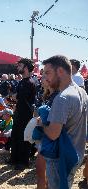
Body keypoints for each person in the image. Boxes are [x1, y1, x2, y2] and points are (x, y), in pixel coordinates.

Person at [40, 55, 88, 188]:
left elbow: (53, 134)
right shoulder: (82, 92)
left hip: (60, 157)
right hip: (76, 153)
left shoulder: (62, 98)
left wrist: (41, 125)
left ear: (60, 71)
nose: (46, 78)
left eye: (48, 73)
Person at [9, 58, 36, 170]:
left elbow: (20, 97)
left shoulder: (30, 82)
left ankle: (23, 161)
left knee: (24, 138)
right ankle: (14, 158)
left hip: (26, 115)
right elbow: (17, 97)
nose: (18, 67)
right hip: (19, 113)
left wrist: (16, 97)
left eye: (20, 65)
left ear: (26, 67)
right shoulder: (22, 82)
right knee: (15, 135)